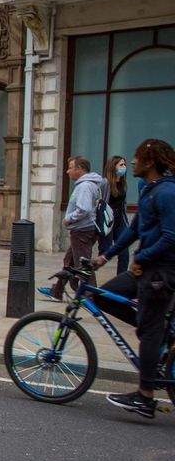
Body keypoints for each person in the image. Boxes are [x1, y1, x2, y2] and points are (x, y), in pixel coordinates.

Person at [89, 139, 175, 419]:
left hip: (161, 271)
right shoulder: (149, 190)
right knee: (100, 295)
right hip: (147, 267)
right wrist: (105, 256)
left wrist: (142, 258)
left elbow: (170, 237)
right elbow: (134, 230)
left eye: (137, 158)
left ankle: (145, 397)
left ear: (150, 162)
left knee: (148, 333)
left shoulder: (166, 192)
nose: (132, 163)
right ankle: (155, 331)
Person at [44, 156, 107, 301]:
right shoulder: (89, 184)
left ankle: (90, 296)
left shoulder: (85, 186)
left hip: (82, 231)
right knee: (69, 261)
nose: (67, 171)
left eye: (70, 168)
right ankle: (57, 291)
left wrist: (68, 219)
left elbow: (83, 209)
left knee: (83, 265)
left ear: (80, 169)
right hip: (83, 230)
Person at [104, 154, 131, 275]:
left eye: (124, 164)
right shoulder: (105, 183)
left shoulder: (123, 183)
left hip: (120, 221)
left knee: (124, 252)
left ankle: (121, 278)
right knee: (104, 252)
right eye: (121, 164)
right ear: (113, 166)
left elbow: (123, 203)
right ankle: (83, 277)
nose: (124, 167)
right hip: (107, 221)